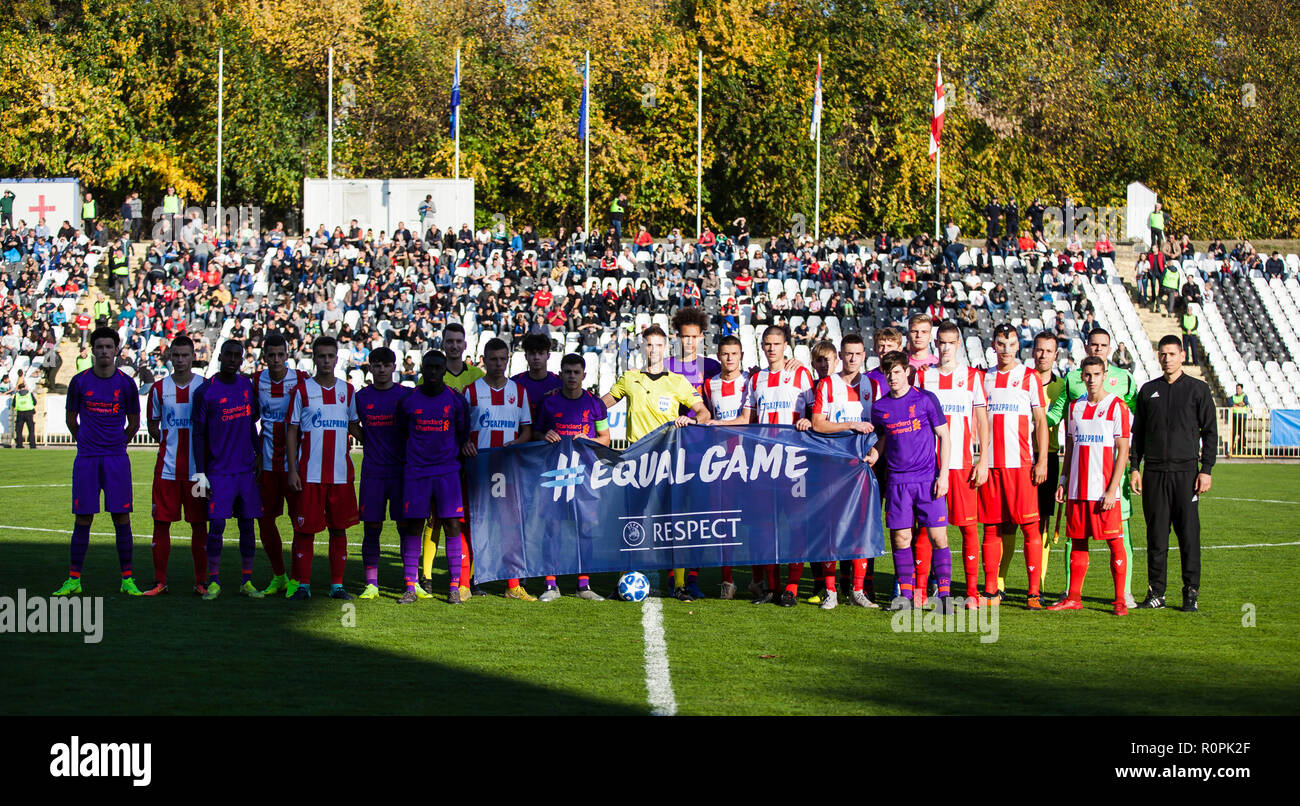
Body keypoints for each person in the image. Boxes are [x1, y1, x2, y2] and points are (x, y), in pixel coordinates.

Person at [1044, 327, 1139, 605]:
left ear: (1104, 376)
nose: (1092, 379)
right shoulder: (1075, 408)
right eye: (1087, 375)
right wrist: (1063, 480)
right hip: (1076, 488)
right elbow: (1071, 446)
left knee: (1115, 543)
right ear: (1081, 376)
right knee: (1078, 542)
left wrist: (1113, 490)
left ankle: (1120, 599)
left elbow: (1123, 450)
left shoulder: (1116, 406)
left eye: (1097, 375)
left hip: (1103, 491)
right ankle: (1073, 597)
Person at [52, 328, 143, 597]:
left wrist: (118, 443)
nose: (104, 351)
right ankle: (74, 579)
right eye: (99, 347)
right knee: (83, 518)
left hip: (116, 459)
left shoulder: (126, 384)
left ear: (117, 350)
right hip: (87, 459)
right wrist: (85, 441)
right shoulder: (79, 382)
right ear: (92, 350)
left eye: (108, 347)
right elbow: (71, 419)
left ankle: (127, 579)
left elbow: (134, 422)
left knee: (121, 517)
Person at [1131, 335, 1216, 612]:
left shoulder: (1198, 390)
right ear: (1158, 357)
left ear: (1182, 355)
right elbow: (1139, 435)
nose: (1167, 358)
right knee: (1156, 537)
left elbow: (1210, 433)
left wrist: (1206, 470)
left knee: (1189, 536)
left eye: (1172, 353)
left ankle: (1191, 592)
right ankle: (1156, 593)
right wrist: (1134, 467)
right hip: (1154, 473)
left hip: (1186, 473)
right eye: (1163, 354)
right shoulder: (1148, 391)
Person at [871, 350, 952, 611]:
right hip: (897, 482)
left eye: (897, 372)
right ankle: (905, 597)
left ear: (907, 371)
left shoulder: (926, 400)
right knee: (901, 539)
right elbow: (883, 438)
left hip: (927, 479)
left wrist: (944, 475)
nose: (892, 377)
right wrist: (874, 454)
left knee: (938, 537)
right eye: (888, 373)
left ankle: (945, 595)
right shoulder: (880, 407)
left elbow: (945, 437)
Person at [918, 322, 990, 608]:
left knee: (968, 528)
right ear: (936, 344)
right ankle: (921, 591)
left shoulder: (972, 377)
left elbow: (982, 421)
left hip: (962, 464)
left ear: (958, 344)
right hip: (930, 465)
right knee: (927, 528)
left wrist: (983, 459)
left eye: (950, 342)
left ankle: (971, 592)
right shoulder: (926, 378)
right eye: (941, 343)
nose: (945, 348)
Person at [285, 336, 361, 600]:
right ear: (314, 358)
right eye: (321, 356)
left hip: (341, 474)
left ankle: (337, 586)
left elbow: (353, 426)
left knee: (338, 529)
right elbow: (292, 430)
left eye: (330, 356)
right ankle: (303, 585)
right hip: (309, 474)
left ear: (336, 359)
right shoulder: (302, 391)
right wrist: (293, 470)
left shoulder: (348, 391)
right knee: (305, 529)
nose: (326, 361)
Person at [979, 323, 1049, 609]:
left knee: (1031, 527)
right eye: (1000, 344)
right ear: (993, 346)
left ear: (1017, 346)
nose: (1006, 349)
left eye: (1011, 344)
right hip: (991, 465)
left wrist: (1042, 459)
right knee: (992, 527)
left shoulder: (1029, 377)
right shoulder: (983, 379)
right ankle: (991, 589)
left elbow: (1041, 422)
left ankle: (1034, 592)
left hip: (1020, 465)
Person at [743, 324, 813, 605]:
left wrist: (808, 421)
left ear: (786, 346)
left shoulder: (801, 374)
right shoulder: (756, 379)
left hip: (794, 462)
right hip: (764, 462)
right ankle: (772, 588)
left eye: (777, 344)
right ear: (762, 346)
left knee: (795, 525)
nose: (772, 348)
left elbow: (814, 413)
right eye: (767, 344)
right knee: (765, 526)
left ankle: (792, 589)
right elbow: (747, 418)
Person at [810, 334, 881, 609]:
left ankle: (857, 590)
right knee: (831, 529)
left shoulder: (871, 386)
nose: (853, 359)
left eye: (858, 354)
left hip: (859, 468)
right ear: (840, 355)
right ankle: (831, 591)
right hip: (831, 467)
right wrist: (850, 425)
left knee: (859, 528)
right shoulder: (828, 385)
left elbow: (878, 426)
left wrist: (876, 451)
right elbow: (818, 424)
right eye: (848, 354)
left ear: (864, 356)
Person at [190, 339, 265, 600]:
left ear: (242, 359)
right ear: (220, 356)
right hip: (218, 472)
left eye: (237, 356)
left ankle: (247, 580)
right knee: (217, 526)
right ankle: (214, 581)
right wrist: (200, 472)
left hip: (245, 470)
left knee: (247, 524)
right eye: (229, 355)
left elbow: (250, 424)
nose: (233, 359)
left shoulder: (247, 386)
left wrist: (257, 454)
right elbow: (198, 435)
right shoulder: (205, 391)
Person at [462, 338, 536, 599]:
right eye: (493, 359)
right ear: (484, 359)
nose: (498, 364)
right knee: (473, 523)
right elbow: (459, 429)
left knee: (510, 525)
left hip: (506, 470)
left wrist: (517, 442)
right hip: (477, 469)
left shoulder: (519, 392)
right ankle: (464, 582)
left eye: (502, 359)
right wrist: (464, 443)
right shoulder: (470, 391)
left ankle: (513, 586)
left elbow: (527, 430)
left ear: (508, 360)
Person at [397, 351, 471, 604]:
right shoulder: (409, 400)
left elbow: (463, 433)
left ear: (443, 371)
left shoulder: (456, 401)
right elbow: (401, 431)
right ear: (421, 368)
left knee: (452, 524)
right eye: (428, 367)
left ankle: (452, 587)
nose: (432, 372)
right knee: (415, 526)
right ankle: (410, 585)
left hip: (447, 472)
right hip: (417, 472)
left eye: (437, 368)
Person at [536, 352, 611, 601]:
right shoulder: (548, 404)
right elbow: (535, 435)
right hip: (555, 475)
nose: (571, 376)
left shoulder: (595, 404)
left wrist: (589, 440)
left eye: (576, 372)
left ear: (584, 375)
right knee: (553, 529)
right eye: (567, 372)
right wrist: (545, 435)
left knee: (584, 529)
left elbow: (605, 440)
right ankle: (550, 584)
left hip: (585, 476)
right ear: (560, 374)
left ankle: (583, 585)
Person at [420, 322, 484, 592]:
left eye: (459, 341)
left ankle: (472, 576)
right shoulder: (432, 375)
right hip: (439, 457)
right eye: (450, 341)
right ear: (443, 344)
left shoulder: (478, 375)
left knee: (470, 517)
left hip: (470, 457)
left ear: (465, 345)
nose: (454, 345)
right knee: (434, 517)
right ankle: (426, 575)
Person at [663, 306, 722, 597]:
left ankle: (693, 576)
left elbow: (741, 381)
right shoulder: (664, 364)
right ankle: (673, 574)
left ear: (701, 337)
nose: (689, 342)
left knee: (697, 513)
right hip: (670, 447)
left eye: (694, 337)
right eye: (685, 337)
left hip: (702, 449)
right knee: (671, 512)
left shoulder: (710, 367)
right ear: (677, 337)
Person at [142, 335, 208, 596]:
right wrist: (166, 444)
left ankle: (200, 582)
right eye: (175, 355)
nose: (180, 360)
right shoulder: (158, 389)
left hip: (198, 473)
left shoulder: (204, 387)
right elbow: (152, 425)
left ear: (193, 356)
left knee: (199, 525)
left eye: (185, 355)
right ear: (169, 356)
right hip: (167, 471)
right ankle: (160, 582)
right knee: (161, 524)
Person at [352, 347, 413, 600]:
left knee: (405, 527)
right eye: (376, 365)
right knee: (372, 527)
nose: (381, 370)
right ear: (370, 368)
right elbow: (351, 423)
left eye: (386, 365)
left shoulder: (406, 396)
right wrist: (368, 440)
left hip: (400, 472)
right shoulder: (361, 397)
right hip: (373, 472)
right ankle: (371, 583)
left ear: (394, 367)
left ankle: (410, 582)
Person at [252, 332, 306, 595]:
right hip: (268, 466)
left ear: (287, 355)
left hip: (295, 466)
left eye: (280, 355)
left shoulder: (301, 380)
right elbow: (248, 420)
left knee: (300, 523)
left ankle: (296, 579)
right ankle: (279, 575)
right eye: (271, 355)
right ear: (264, 357)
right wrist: (257, 456)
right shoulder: (255, 381)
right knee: (265, 521)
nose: (275, 360)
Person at [1029, 332, 1067, 599]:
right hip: (1018, 457)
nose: (1043, 355)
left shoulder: (1063, 387)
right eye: (1039, 350)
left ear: (1056, 355)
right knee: (1009, 521)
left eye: (1048, 351)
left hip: (1049, 458)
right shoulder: (1021, 381)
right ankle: (999, 583)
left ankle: (1038, 584)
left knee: (1042, 521)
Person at [511, 333, 562, 429]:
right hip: (520, 439)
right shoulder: (514, 383)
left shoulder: (559, 383)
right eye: (532, 353)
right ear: (526, 356)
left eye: (541, 353)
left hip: (550, 439)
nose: (536, 357)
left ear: (548, 355)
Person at [11, 377, 36, 449]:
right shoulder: (29, 394)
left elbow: (14, 404)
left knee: (19, 430)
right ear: (25, 387)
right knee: (31, 430)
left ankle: (19, 444)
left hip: (20, 413)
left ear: (19, 388)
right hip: (29, 413)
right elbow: (34, 402)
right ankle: (32, 445)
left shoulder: (17, 395)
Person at [1229, 383, 1250, 455]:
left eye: (1239, 388)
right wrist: (1239, 405)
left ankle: (1241, 448)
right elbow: (1230, 403)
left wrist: (1236, 405)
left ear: (1242, 389)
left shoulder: (1244, 396)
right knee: (1233, 433)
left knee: (1241, 433)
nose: (1237, 390)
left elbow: (1244, 403)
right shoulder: (1233, 396)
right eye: (1237, 388)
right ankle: (1232, 448)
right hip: (1234, 416)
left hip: (1242, 416)